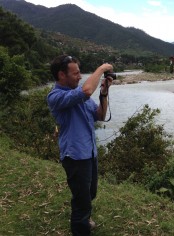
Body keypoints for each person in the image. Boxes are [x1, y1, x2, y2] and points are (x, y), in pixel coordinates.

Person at [47, 55, 114, 235]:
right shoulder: (56, 96)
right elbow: (85, 91)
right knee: (81, 201)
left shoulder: (80, 95)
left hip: (89, 151)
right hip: (75, 156)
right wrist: (101, 69)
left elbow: (100, 115)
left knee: (90, 193)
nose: (79, 77)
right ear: (62, 75)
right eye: (76, 73)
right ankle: (81, 226)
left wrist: (104, 92)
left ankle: (85, 218)